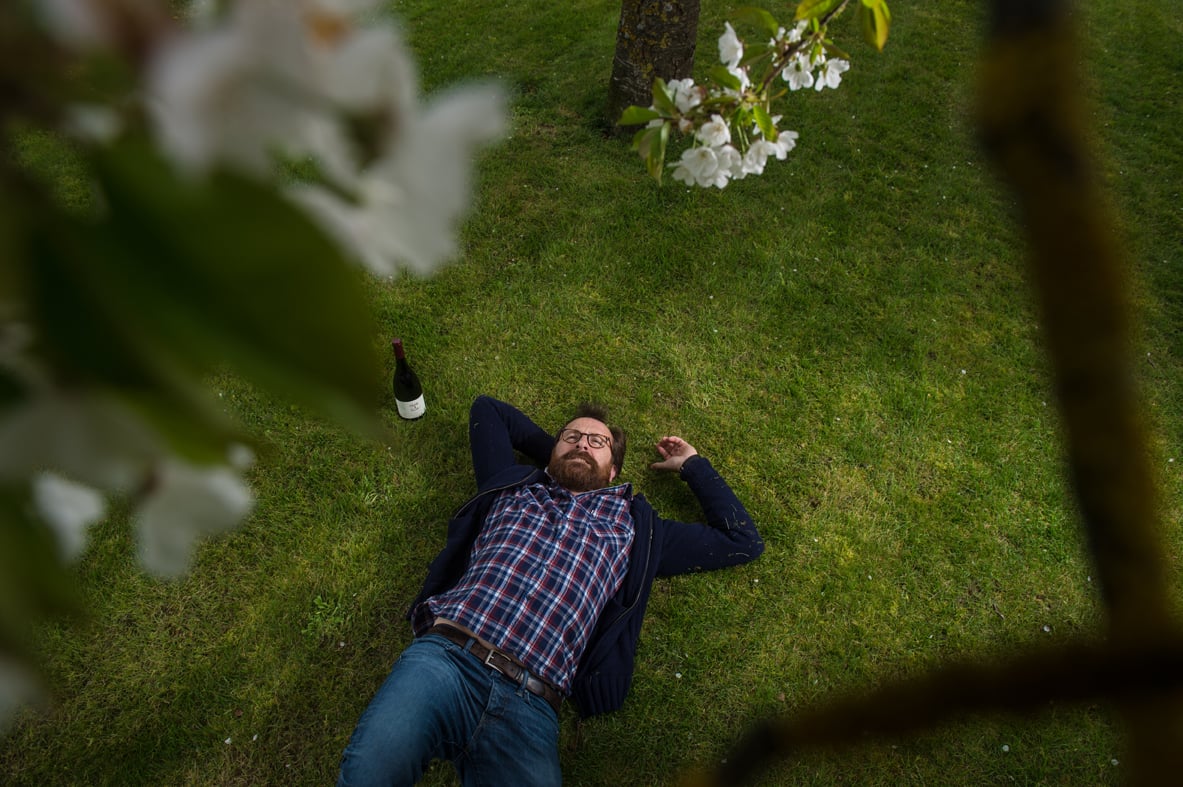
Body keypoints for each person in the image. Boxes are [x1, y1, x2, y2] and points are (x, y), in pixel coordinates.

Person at [337, 395, 764, 786]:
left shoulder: (638, 531)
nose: (582, 443)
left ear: (614, 470)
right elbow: (488, 410)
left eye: (597, 442)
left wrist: (692, 465)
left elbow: (742, 541)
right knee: (369, 773)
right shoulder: (514, 485)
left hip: (531, 705)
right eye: (571, 437)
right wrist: (567, 460)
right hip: (446, 661)